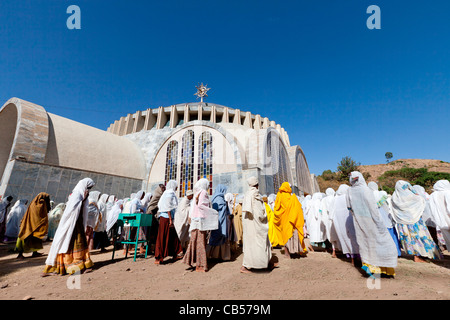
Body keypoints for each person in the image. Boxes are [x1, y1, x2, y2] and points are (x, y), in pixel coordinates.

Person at [346, 172, 398, 278]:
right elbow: (373, 208)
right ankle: (384, 268)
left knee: (365, 243)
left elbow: (349, 207)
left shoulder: (349, 191)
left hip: (359, 222)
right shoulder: (366, 190)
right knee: (381, 241)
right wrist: (379, 222)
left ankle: (370, 269)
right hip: (371, 220)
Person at [42, 178, 95, 276]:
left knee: (77, 243)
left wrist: (84, 200)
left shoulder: (81, 194)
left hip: (77, 223)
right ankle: (75, 266)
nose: (89, 190)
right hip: (71, 224)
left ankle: (80, 265)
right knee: (73, 243)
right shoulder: (77, 194)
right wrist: (83, 199)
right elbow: (72, 209)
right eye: (88, 187)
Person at [391, 180, 440, 262]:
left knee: (410, 239)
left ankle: (416, 255)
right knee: (419, 237)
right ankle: (420, 256)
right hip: (415, 221)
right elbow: (421, 199)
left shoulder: (394, 197)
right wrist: (414, 192)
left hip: (403, 223)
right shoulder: (410, 196)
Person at [183, 178, 218, 272]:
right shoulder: (203, 193)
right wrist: (213, 212)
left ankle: (192, 261)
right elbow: (202, 205)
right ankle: (201, 265)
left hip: (195, 221)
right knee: (201, 243)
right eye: (208, 185)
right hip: (200, 221)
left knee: (194, 241)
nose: (208, 186)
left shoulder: (197, 194)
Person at [240, 176, 274, 273]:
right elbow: (259, 213)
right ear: (257, 185)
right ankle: (250, 266)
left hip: (249, 225)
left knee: (251, 245)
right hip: (256, 224)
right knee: (260, 243)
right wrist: (264, 217)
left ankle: (260, 264)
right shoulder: (255, 194)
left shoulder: (247, 194)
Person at [273, 182, 307, 258]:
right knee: (293, 235)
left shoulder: (279, 195)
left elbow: (276, 208)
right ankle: (294, 251)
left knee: (286, 236)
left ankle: (287, 252)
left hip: (284, 220)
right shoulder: (292, 197)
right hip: (292, 219)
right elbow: (296, 208)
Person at [368, 182, 401, 257]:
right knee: (391, 235)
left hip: (377, 220)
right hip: (387, 219)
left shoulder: (369, 196)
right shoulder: (382, 194)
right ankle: (395, 252)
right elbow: (387, 206)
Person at [330, 184, 360, 264]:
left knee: (345, 238)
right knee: (354, 238)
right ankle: (357, 258)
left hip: (339, 223)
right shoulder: (349, 196)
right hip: (350, 220)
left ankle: (352, 258)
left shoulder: (335, 199)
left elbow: (331, 214)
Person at [155, 180, 182, 264]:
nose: (177, 188)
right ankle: (159, 257)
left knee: (172, 236)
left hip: (164, 217)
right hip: (166, 218)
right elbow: (167, 207)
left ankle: (175, 253)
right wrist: (170, 219)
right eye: (176, 186)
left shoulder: (166, 193)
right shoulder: (170, 194)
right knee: (163, 236)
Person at [15, 193, 50, 258]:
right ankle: (20, 254)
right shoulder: (41, 204)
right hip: (32, 225)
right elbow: (41, 216)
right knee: (26, 238)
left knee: (34, 239)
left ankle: (34, 252)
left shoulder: (33, 203)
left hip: (31, 225)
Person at [208, 184, 232, 261]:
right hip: (219, 221)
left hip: (221, 220)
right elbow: (216, 210)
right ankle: (213, 255)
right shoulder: (218, 199)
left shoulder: (219, 198)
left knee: (220, 237)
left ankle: (218, 255)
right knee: (217, 235)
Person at [428, 180, 450, 250]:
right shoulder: (448, 193)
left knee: (448, 238)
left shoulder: (432, 195)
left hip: (441, 221)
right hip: (448, 218)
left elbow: (432, 209)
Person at [147, 184, 165, 251]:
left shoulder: (160, 195)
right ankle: (151, 248)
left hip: (154, 215)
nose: (163, 189)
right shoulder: (158, 195)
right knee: (152, 232)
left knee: (154, 232)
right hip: (151, 214)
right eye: (162, 188)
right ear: (159, 189)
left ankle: (152, 247)